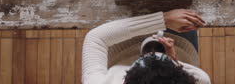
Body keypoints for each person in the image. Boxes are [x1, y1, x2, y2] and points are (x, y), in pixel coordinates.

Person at [82, 9, 211, 84]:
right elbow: (203, 79)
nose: (153, 52)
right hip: (180, 44)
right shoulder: (199, 80)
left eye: (140, 60)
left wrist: (165, 20)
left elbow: (96, 39)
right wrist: (174, 60)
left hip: (120, 44)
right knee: (189, 11)